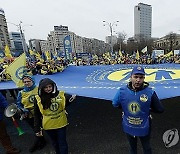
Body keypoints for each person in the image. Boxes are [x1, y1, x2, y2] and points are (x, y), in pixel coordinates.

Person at [112, 66, 164, 154]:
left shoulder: (122, 91)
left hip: (133, 124)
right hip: (140, 125)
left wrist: (125, 109)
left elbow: (115, 104)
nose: (138, 80)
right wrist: (148, 110)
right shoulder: (149, 92)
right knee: (145, 148)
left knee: (136, 148)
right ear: (130, 77)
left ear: (144, 78)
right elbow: (159, 109)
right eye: (136, 77)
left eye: (141, 77)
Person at [34, 78, 76, 154]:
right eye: (46, 87)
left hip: (61, 123)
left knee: (62, 142)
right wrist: (37, 128)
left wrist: (71, 99)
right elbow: (36, 114)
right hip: (48, 125)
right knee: (55, 142)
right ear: (42, 88)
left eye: (50, 86)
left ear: (53, 86)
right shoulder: (38, 98)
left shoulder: (61, 94)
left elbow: (64, 105)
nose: (48, 89)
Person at [16, 75, 46, 153]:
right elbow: (19, 104)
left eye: (28, 81)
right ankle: (41, 141)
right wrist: (23, 110)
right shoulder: (21, 93)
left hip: (40, 113)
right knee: (35, 129)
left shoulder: (38, 89)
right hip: (28, 115)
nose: (26, 83)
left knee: (41, 127)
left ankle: (39, 142)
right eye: (25, 82)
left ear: (32, 81)